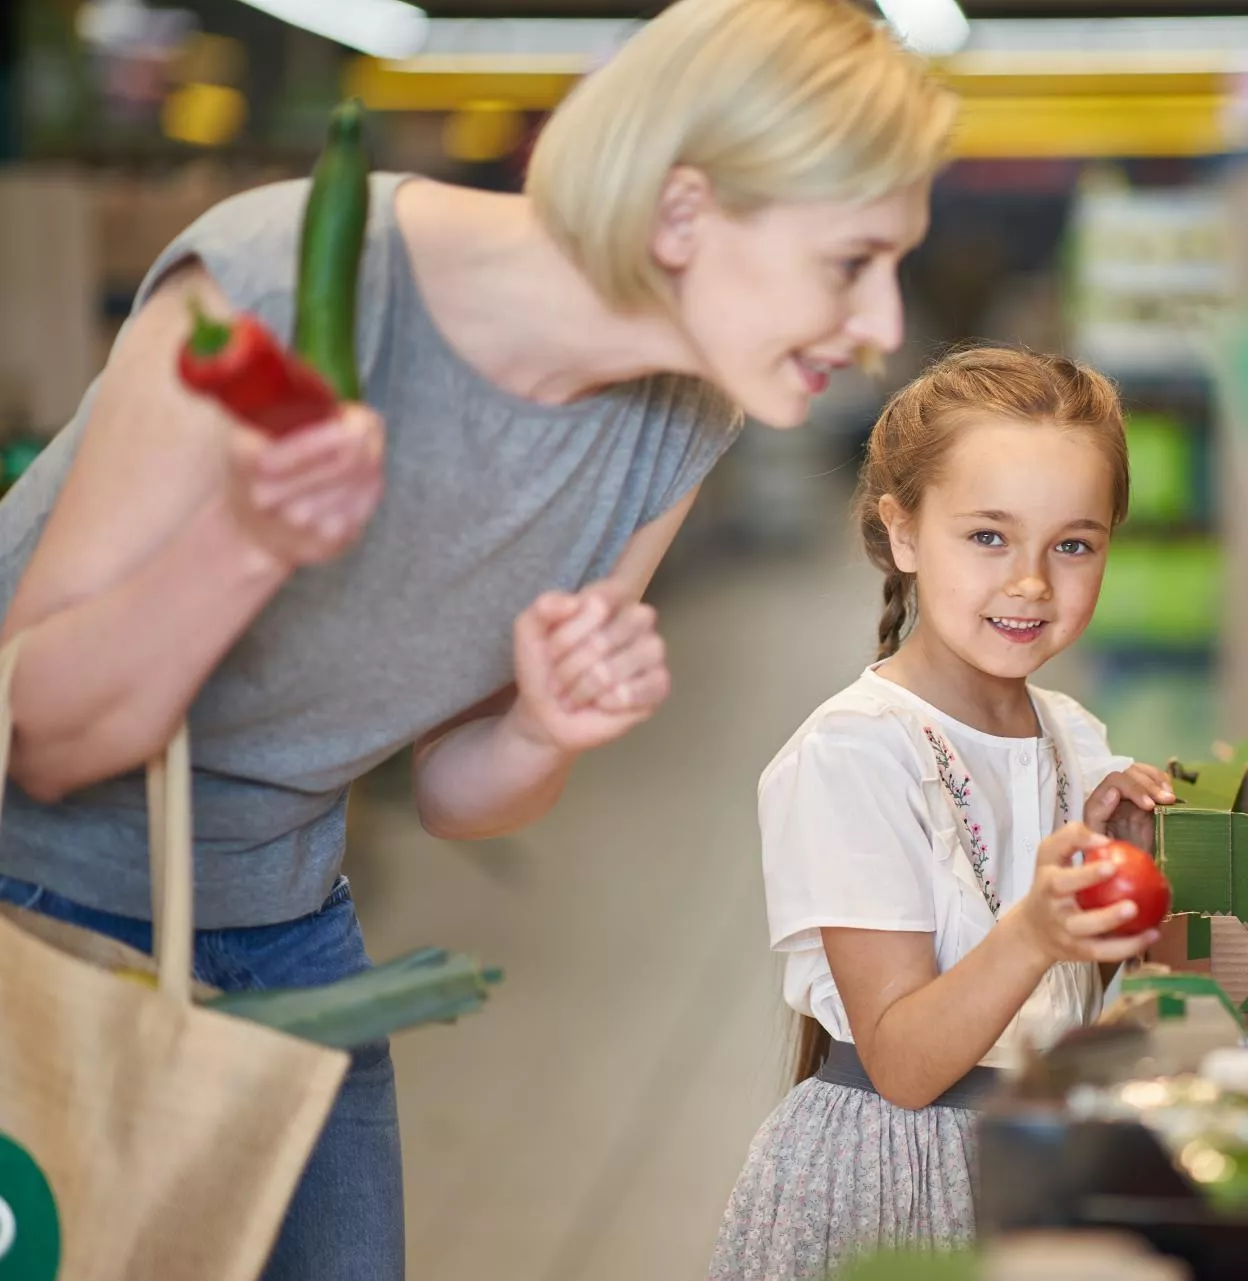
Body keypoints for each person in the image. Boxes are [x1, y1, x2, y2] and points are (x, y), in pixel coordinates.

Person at [0, 1, 954, 1277]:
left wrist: (541, 728)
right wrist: (250, 538)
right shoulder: (292, 282)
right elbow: (45, 743)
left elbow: (457, 794)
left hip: (282, 921)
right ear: (681, 217)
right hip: (32, 913)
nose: (886, 324)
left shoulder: (683, 416)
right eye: (852, 262)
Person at [709, 346, 1177, 1280]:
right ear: (904, 532)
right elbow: (905, 1065)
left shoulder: (1073, 737)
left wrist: (1138, 887)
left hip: (1040, 1165)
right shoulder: (857, 754)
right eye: (989, 537)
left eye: (1073, 544)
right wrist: (1037, 929)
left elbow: (1074, 1005)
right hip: (897, 1186)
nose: (1033, 581)